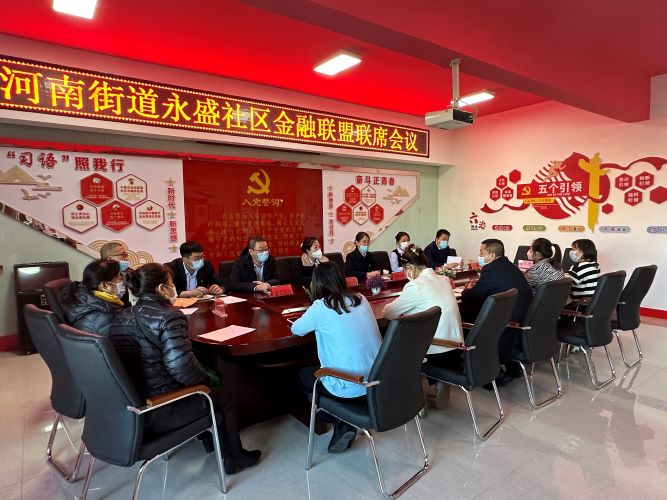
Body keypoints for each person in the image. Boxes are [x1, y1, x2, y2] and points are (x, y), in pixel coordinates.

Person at [108, 264, 260, 474]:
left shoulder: (121, 316)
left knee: (207, 381)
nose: (174, 288)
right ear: (162, 289)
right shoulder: (169, 316)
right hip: (163, 406)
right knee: (221, 395)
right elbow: (182, 368)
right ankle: (235, 458)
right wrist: (207, 380)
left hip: (134, 403)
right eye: (171, 284)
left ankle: (210, 439)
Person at [291, 261, 382, 453]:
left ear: (317, 284)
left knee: (302, 376)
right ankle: (344, 421)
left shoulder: (321, 307)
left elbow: (296, 329)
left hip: (349, 387)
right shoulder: (360, 299)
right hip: (376, 382)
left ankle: (340, 419)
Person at [459, 238, 532, 384]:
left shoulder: (490, 269)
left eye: (481, 252)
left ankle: (474, 361)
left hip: (507, 321)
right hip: (521, 317)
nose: (479, 255)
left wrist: (465, 291)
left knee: (465, 312)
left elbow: (475, 295)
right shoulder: (509, 266)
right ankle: (507, 364)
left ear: (491, 255)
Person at [383, 245, 464, 366]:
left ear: (409, 267)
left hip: (437, 350)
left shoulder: (415, 285)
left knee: (392, 343)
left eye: (405, 270)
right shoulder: (444, 279)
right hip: (457, 347)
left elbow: (388, 313)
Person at [60, 259, 124, 335]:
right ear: (105, 285)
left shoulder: (79, 294)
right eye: (119, 277)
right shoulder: (105, 318)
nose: (123, 280)